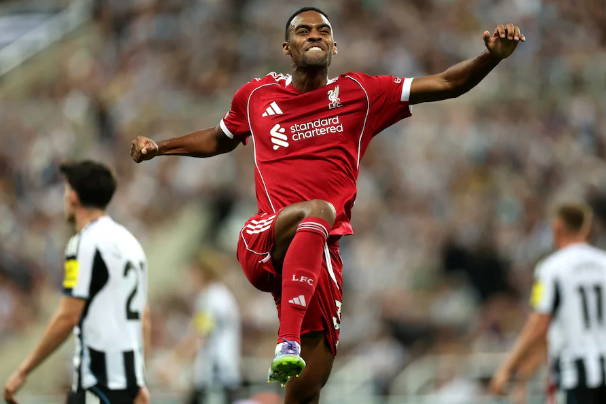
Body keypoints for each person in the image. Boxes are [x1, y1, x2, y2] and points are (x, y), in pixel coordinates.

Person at [130, 6, 525, 402]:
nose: (314, 35)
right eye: (303, 31)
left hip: (321, 256)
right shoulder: (256, 95)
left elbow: (446, 83)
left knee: (306, 391)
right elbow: (220, 137)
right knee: (319, 209)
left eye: (323, 30)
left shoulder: (361, 93)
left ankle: (290, 351)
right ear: (287, 47)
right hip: (268, 236)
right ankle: (287, 340)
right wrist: (160, 147)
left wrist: (490, 57)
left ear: (335, 46)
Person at [3, 161, 150, 404]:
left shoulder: (84, 243)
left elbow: (67, 316)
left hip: (98, 382)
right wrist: (139, 380)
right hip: (128, 384)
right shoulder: (131, 243)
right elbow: (143, 319)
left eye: (65, 190)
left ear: (73, 197)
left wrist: (23, 370)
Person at [490, 203, 606, 404]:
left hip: (572, 372)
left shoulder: (551, 268)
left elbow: (538, 326)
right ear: (586, 228)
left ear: (557, 227)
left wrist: (508, 367)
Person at [159, 250, 242, 404]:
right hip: (217, 375)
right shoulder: (218, 296)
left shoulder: (212, 299)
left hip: (215, 375)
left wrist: (173, 363)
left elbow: (199, 334)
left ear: (200, 272)